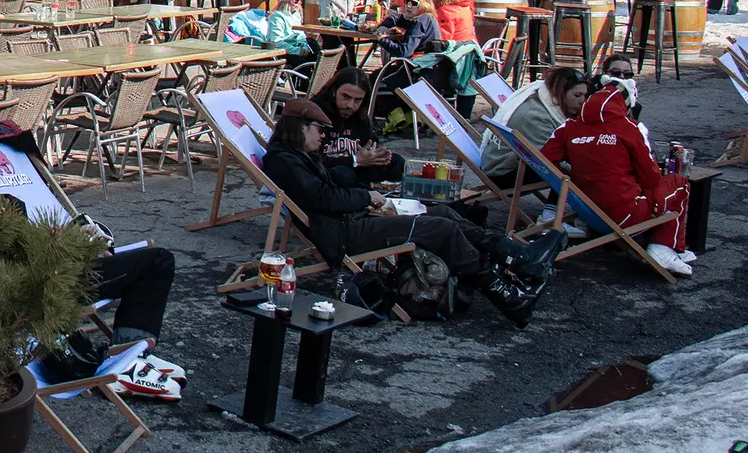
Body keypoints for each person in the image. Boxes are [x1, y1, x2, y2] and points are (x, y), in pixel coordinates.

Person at [260, 100, 550, 323]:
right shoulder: (282, 160)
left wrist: (364, 179)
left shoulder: (300, 156)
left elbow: (329, 185)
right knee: (440, 228)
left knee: (442, 214)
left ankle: (514, 256)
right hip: (344, 233)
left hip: (350, 221)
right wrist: (366, 196)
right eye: (319, 131)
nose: (324, 137)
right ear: (300, 128)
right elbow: (321, 197)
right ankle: (504, 291)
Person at [539, 84, 693, 276]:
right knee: (679, 184)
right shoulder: (629, 127)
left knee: (648, 189)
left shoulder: (569, 126)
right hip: (625, 215)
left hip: (586, 211)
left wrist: (571, 174)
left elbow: (543, 160)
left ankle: (672, 248)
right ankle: (664, 247)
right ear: (623, 106)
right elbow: (652, 179)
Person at [480, 66, 587, 190]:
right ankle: (552, 209)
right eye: (577, 95)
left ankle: (553, 207)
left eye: (585, 95)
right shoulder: (536, 116)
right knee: (566, 173)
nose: (583, 101)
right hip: (500, 173)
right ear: (560, 93)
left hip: (513, 163)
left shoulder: (546, 104)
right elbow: (549, 159)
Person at [312, 68, 403, 186]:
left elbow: (369, 143)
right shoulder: (316, 113)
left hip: (358, 169)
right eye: (346, 97)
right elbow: (311, 162)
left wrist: (378, 154)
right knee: (343, 174)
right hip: (327, 174)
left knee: (397, 162)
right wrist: (354, 160)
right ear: (334, 91)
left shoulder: (360, 116)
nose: (350, 105)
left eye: (358, 100)